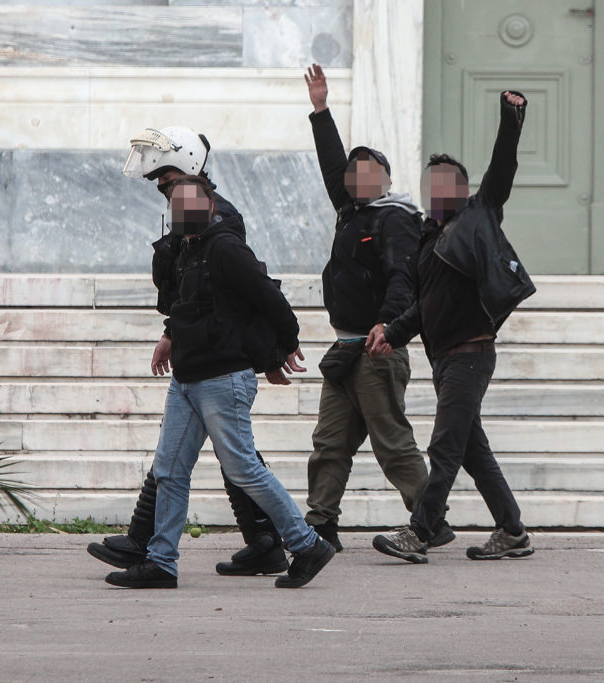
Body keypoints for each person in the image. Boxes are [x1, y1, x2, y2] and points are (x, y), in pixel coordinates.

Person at [104, 175, 335, 589]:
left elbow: (269, 298)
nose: (184, 211)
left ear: (210, 207)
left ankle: (306, 543)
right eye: (177, 205)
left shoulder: (225, 247)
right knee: (170, 471)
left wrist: (286, 345)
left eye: (192, 203)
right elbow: (189, 304)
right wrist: (169, 336)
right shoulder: (187, 251)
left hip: (223, 378)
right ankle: (161, 563)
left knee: (243, 468)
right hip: (187, 380)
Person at [88, 126, 290, 577]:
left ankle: (290, 540)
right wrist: (172, 331)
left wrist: (277, 350)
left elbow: (232, 292)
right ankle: (264, 542)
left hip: (218, 359)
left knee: (223, 457)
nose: (162, 188)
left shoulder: (219, 221)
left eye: (168, 179)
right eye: (159, 183)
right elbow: (186, 290)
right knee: (200, 455)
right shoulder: (191, 216)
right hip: (202, 354)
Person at [367, 90, 536, 564]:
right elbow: (425, 306)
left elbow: (503, 167)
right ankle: (512, 531)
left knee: (444, 446)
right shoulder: (428, 239)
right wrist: (392, 332)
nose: (437, 192)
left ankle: (419, 532)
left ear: (462, 190)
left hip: (471, 352)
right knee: (472, 451)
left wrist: (511, 115)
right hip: (444, 358)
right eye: (431, 185)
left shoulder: (480, 216)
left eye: (447, 185)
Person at [301, 64, 454, 552]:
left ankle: (429, 521)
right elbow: (331, 167)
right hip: (345, 346)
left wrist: (389, 327)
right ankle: (321, 525)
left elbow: (402, 279)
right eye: (354, 171)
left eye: (370, 170)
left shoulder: (398, 218)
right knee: (329, 444)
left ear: (386, 178)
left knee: (392, 443)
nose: (359, 176)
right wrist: (321, 111)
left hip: (379, 347)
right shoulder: (350, 210)